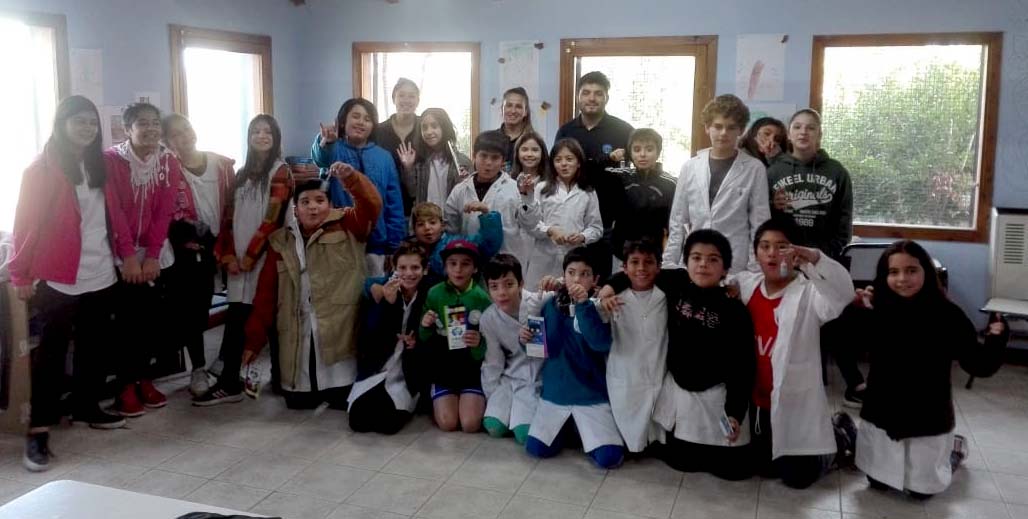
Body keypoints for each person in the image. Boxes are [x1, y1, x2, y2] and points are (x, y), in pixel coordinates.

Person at [12, 96, 133, 471]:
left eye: (92, 123)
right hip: (59, 274)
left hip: (101, 270)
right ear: (61, 124)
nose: (87, 128)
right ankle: (39, 429)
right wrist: (20, 273)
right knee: (51, 354)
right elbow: (25, 223)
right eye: (79, 121)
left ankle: (86, 406)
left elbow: (117, 214)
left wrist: (127, 253)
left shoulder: (103, 164)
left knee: (94, 346)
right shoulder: (41, 169)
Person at [854, 240, 1008, 499]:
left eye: (911, 270)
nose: (902, 279)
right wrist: (860, 310)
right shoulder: (879, 309)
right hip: (882, 413)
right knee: (877, 482)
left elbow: (978, 365)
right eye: (894, 272)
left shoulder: (948, 315)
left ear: (926, 271)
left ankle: (953, 453)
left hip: (926, 416)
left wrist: (996, 339)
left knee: (921, 492)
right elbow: (853, 343)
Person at [601, 231, 755, 479]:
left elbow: (743, 366)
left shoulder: (735, 309)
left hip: (719, 397)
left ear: (726, 269)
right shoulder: (677, 284)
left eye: (713, 259)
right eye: (696, 257)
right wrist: (608, 288)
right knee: (681, 462)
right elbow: (635, 272)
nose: (703, 264)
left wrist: (735, 412)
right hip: (684, 397)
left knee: (733, 471)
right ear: (686, 262)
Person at [240, 168, 381, 409]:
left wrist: (351, 178)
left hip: (340, 337)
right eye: (305, 202)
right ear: (296, 209)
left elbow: (372, 204)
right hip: (297, 338)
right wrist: (253, 341)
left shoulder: (349, 225)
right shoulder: (280, 241)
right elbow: (266, 294)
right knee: (298, 403)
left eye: (319, 200)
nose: (313, 207)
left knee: (341, 398)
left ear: (330, 205)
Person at [737, 217, 856, 489]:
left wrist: (815, 259)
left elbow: (843, 294)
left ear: (796, 252)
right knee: (763, 468)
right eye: (764, 246)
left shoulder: (810, 293)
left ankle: (840, 435)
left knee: (797, 478)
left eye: (781, 246)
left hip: (794, 402)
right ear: (756, 252)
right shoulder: (746, 285)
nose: (772, 253)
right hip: (757, 402)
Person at [194, 115, 293, 406]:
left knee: (267, 316)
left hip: (264, 259)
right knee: (238, 317)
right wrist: (228, 255)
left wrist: (250, 257)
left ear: (275, 138)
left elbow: (272, 221)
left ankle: (282, 378)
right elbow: (228, 218)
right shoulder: (240, 174)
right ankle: (231, 381)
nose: (261, 136)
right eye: (256, 131)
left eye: (267, 132)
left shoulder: (281, 172)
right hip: (237, 261)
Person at [767, 108, 861, 406]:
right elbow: (761, 218)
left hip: (822, 260)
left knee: (835, 319)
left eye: (810, 127)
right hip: (784, 260)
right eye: (797, 126)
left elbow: (844, 223)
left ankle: (854, 382)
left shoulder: (837, 172)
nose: (803, 132)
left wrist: (821, 258)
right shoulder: (772, 171)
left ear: (819, 134)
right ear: (789, 133)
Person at [104, 102, 184, 417]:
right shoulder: (111, 161)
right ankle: (125, 385)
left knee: (152, 321)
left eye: (155, 123)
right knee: (125, 322)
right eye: (142, 123)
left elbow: (164, 212)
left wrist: (151, 256)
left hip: (154, 252)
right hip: (119, 253)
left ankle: (145, 378)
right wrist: (128, 256)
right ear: (128, 129)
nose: (150, 129)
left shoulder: (168, 161)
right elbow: (114, 211)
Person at [523, 247, 624, 469]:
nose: (576, 279)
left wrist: (582, 305)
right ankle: (572, 428)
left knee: (609, 458)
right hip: (556, 394)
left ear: (595, 280)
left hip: (590, 395)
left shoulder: (600, 308)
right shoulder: (550, 304)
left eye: (584, 274)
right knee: (537, 449)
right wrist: (525, 339)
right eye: (571, 273)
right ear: (563, 275)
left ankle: (578, 428)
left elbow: (599, 343)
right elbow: (543, 349)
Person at [161, 113, 236, 397]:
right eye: (176, 134)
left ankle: (225, 360)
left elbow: (234, 202)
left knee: (240, 303)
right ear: (168, 141)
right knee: (195, 311)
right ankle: (199, 368)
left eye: (187, 129)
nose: (184, 136)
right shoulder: (167, 170)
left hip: (227, 242)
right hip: (192, 249)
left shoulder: (220, 164)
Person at [663, 94, 770, 274]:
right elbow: (678, 220)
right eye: (718, 126)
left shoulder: (754, 168)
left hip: (735, 262)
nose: (723, 133)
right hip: (695, 261)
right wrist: (669, 263)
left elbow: (759, 223)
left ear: (741, 130)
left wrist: (754, 270)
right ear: (707, 127)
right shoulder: (690, 167)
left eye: (731, 127)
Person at [554, 71, 634, 279]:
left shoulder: (624, 131)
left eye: (598, 93)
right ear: (578, 97)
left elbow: (635, 171)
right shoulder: (566, 131)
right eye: (586, 92)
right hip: (571, 220)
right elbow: (556, 170)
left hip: (610, 222)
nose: (592, 98)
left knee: (603, 281)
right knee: (571, 281)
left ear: (607, 97)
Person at [312, 98, 405, 277]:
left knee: (375, 292)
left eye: (367, 119)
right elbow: (320, 159)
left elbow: (394, 205)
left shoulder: (384, 157)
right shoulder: (333, 149)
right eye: (356, 116)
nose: (361, 122)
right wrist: (326, 142)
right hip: (339, 241)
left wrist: (394, 247)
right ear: (343, 121)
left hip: (377, 245)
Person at [348, 241, 432, 434]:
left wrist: (415, 344)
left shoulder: (430, 294)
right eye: (402, 268)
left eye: (415, 268)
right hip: (378, 367)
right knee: (359, 422)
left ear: (425, 269)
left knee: (388, 424)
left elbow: (432, 341)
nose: (408, 273)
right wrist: (387, 303)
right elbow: (370, 336)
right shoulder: (386, 289)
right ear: (394, 268)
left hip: (407, 370)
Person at [597, 239, 668, 454]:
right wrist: (601, 303)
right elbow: (591, 324)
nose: (641, 268)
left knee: (654, 432)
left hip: (656, 375)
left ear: (659, 267)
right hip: (625, 375)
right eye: (635, 262)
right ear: (624, 267)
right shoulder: (613, 299)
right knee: (627, 432)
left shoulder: (666, 297)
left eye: (649, 262)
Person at [418, 240, 492, 432]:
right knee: (447, 423)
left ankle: (472, 397)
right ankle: (438, 392)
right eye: (452, 263)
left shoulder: (482, 298)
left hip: (471, 368)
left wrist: (479, 343)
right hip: (443, 367)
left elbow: (491, 341)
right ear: (445, 267)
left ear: (475, 268)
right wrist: (425, 324)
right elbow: (423, 337)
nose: (458, 269)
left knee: (470, 424)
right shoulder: (434, 293)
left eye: (465, 264)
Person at [520, 138, 602, 296]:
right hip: (543, 256)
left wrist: (582, 236)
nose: (564, 164)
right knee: (538, 300)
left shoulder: (588, 191)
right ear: (552, 164)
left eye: (569, 159)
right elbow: (531, 224)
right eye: (558, 160)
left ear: (579, 162)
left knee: (571, 299)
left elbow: (596, 227)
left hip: (574, 259)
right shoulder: (541, 188)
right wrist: (550, 230)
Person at [480, 254, 542, 444]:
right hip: (510, 374)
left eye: (509, 284)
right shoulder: (489, 318)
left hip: (539, 372)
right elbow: (493, 360)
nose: (502, 293)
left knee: (524, 434)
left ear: (521, 283)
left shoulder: (538, 304)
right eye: (494, 286)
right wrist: (492, 394)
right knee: (494, 426)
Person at [444, 131, 525, 258]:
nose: (488, 163)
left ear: (503, 161)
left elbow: (529, 224)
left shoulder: (515, 189)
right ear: (474, 156)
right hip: (469, 261)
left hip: (507, 259)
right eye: (483, 156)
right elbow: (451, 230)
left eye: (495, 158)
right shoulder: (460, 190)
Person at [610, 128, 676, 266]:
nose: (643, 154)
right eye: (637, 149)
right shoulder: (620, 176)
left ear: (658, 152)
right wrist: (610, 158)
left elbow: (674, 225)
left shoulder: (671, 183)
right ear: (630, 152)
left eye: (649, 149)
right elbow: (589, 171)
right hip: (621, 254)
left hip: (654, 256)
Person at [409, 202, 501, 284]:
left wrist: (486, 215)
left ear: (442, 226)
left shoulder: (456, 245)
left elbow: (488, 244)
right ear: (414, 229)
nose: (427, 228)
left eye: (432, 223)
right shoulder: (410, 250)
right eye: (420, 224)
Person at [398, 107, 471, 210]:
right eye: (424, 127)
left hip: (451, 218)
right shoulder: (419, 160)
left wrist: (464, 184)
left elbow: (468, 199)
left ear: (444, 128)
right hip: (425, 218)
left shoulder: (462, 162)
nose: (429, 132)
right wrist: (408, 168)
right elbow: (413, 192)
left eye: (434, 126)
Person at [373, 78, 420, 211]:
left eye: (411, 96)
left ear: (418, 101)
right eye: (401, 95)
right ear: (394, 99)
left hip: (419, 202)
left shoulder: (425, 127)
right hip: (385, 201)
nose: (406, 100)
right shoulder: (378, 130)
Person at [509, 131, 551, 265]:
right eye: (525, 149)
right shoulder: (509, 181)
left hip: (544, 246)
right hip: (515, 244)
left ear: (542, 153)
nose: (529, 154)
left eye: (535, 150)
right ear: (517, 153)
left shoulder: (550, 183)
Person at [488, 87, 533, 167]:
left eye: (518, 106)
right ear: (502, 109)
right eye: (509, 105)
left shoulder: (534, 141)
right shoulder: (490, 140)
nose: (513, 111)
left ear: (525, 112)